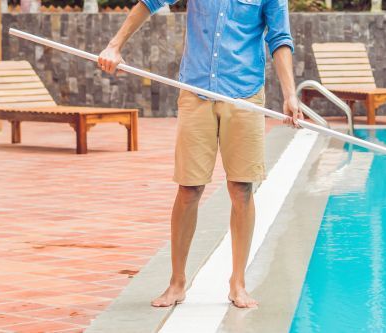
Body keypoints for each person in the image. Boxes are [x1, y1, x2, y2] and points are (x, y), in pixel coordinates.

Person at [97, 0, 302, 308]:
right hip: (196, 91)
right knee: (189, 188)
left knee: (242, 188)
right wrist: (114, 46)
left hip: (244, 94)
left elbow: (279, 38)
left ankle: (238, 283)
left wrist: (289, 94)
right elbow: (149, 3)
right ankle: (177, 283)